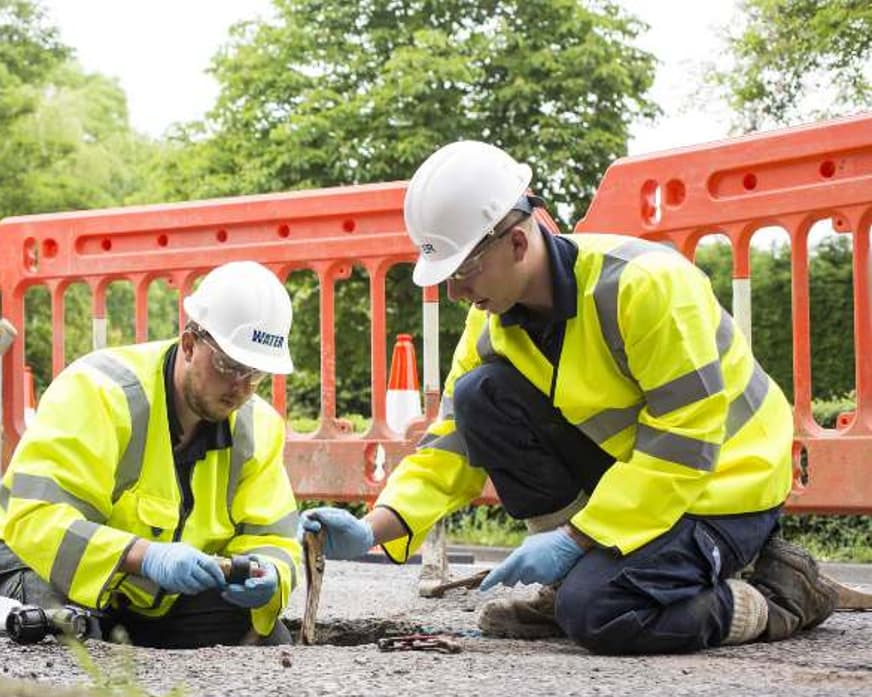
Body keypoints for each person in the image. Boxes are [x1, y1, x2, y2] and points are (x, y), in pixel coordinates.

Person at [302, 140, 838, 654]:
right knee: (479, 394)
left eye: (463, 270)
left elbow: (686, 440)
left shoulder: (645, 285)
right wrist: (372, 528)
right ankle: (577, 581)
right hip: (642, 484)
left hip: (727, 486)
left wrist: (575, 540)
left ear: (517, 242)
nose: (456, 292)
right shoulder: (491, 326)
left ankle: (780, 596)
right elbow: (451, 446)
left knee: (600, 613)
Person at [0, 260, 302, 648]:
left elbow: (275, 540)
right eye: (229, 365)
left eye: (256, 373)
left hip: (146, 595)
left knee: (264, 634)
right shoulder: (98, 392)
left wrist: (268, 574)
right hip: (29, 564)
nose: (241, 387)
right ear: (190, 344)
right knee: (67, 638)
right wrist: (145, 556)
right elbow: (36, 522)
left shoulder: (257, 428)